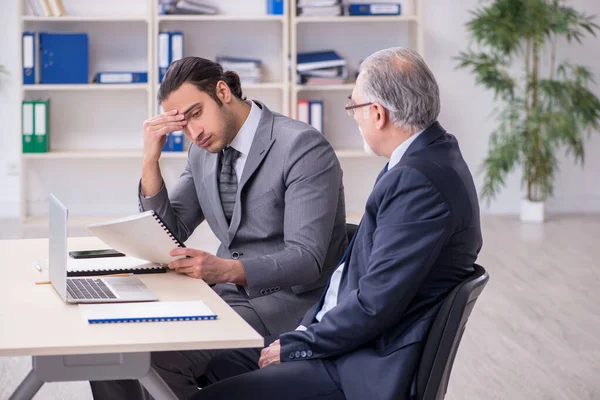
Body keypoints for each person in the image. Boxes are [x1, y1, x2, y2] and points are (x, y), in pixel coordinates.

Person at [191, 47, 483, 400]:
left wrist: (299, 344)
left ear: (377, 114)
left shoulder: (418, 181)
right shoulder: (426, 158)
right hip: (341, 344)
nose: (353, 117)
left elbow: (374, 304)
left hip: (355, 366)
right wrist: (302, 334)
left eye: (354, 106)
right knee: (219, 361)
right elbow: (351, 283)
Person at [90, 57, 347, 399]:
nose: (193, 132)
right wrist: (150, 161)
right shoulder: (203, 153)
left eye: (196, 114)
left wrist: (225, 269)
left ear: (223, 92)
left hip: (282, 310)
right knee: (109, 350)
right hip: (220, 298)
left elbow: (306, 259)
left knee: (153, 360)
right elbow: (170, 230)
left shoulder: (301, 146)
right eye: (182, 125)